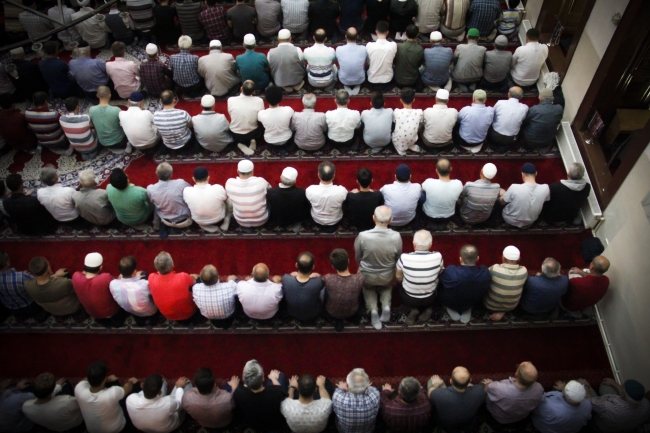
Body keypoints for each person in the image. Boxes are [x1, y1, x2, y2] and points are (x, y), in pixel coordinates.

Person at [355, 206, 402, 329]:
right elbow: (398, 257)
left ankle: (373, 310)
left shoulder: (363, 236)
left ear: (374, 218)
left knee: (368, 289)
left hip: (367, 275)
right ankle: (386, 306)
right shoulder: (396, 236)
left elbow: (358, 257)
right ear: (391, 220)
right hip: (387, 275)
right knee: (386, 287)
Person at [75, 361, 139, 433]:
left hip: (92, 431)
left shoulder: (78, 389)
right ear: (105, 378)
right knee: (131, 392)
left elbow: (85, 380)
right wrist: (130, 382)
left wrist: (106, 380)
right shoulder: (112, 393)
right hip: (117, 429)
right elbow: (128, 388)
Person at [396, 230, 442, 324]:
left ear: (414, 244)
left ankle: (413, 309)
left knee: (398, 285)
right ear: (431, 245)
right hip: (430, 297)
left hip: (409, 298)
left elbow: (398, 277)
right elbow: (440, 273)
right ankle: (428, 308)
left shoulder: (404, 258)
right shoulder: (438, 256)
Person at [438, 245, 491, 323]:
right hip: (471, 301)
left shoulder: (450, 272)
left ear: (460, 259)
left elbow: (440, 280)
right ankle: (466, 308)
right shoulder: (485, 273)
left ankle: (452, 308)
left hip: (450, 301)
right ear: (477, 258)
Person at [72, 252, 125, 327]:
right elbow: (117, 286)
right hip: (112, 313)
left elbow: (81, 273)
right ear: (100, 268)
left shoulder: (75, 277)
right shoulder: (104, 278)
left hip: (93, 314)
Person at [483, 362, 544, 427]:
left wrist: (488, 383)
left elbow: (487, 387)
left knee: (483, 385)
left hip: (499, 418)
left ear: (516, 374)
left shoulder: (500, 388)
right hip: (521, 417)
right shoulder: (539, 389)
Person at [233, 360, 289, 431]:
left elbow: (237, 395)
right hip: (274, 425)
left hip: (253, 425)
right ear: (263, 378)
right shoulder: (275, 392)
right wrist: (274, 379)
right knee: (281, 376)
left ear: (245, 382)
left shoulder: (238, 393)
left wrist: (234, 387)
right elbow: (282, 392)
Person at [127, 374, 191, 433]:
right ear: (160, 393)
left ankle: (163, 381)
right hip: (166, 429)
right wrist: (180, 387)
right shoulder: (168, 403)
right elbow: (180, 404)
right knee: (186, 382)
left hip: (142, 428)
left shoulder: (130, 399)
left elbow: (144, 392)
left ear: (142, 385)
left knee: (161, 381)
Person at [428, 367, 485, 431]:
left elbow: (430, 393)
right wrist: (469, 385)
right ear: (470, 380)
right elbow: (479, 387)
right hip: (468, 422)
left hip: (446, 424)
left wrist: (435, 384)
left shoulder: (439, 394)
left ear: (451, 381)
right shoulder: (479, 391)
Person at [148, 251, 198, 322]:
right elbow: (194, 281)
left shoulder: (151, 278)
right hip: (190, 312)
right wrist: (195, 276)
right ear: (172, 264)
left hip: (168, 316)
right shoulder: (183, 277)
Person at [147, 162, 193, 237]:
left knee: (156, 203)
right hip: (185, 221)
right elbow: (192, 193)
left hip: (165, 220)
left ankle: (157, 225)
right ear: (171, 174)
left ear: (156, 173)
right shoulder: (181, 184)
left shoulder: (151, 189)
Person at [323, 248, 365, 331]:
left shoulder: (327, 279)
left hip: (332, 312)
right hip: (352, 311)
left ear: (332, 266)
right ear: (348, 261)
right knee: (361, 291)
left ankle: (337, 319)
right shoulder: (359, 279)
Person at [109, 255, 158, 325]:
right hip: (151, 311)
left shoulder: (113, 284)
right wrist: (136, 278)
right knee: (143, 274)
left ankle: (140, 323)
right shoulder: (144, 284)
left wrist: (132, 277)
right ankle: (153, 321)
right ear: (135, 272)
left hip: (132, 311)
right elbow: (155, 292)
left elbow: (119, 280)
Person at [499, 162, 550, 228]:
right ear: (536, 173)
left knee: (499, 201)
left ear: (522, 174)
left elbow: (502, 202)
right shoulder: (545, 188)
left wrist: (504, 194)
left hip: (510, 220)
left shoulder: (514, 187)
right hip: (531, 221)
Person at [484, 246, 528, 321]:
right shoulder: (524, 271)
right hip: (511, 307)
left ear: (503, 258)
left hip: (489, 305)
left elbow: (484, 277)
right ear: (519, 259)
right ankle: (503, 311)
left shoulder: (494, 269)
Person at [225, 159, 270, 230]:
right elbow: (270, 190)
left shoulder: (229, 183)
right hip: (262, 219)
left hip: (240, 221)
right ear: (252, 172)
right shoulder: (261, 181)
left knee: (229, 200)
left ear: (237, 171)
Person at [332, 368, 380, 433]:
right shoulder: (375, 395)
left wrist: (344, 388)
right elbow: (370, 388)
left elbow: (339, 389)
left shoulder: (338, 397)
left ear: (347, 385)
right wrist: (365, 387)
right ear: (366, 386)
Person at [0, 252, 45, 320]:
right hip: (29, 305)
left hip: (10, 307)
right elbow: (39, 281)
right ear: (7, 262)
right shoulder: (22, 276)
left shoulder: (22, 276)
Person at [306, 161, 348, 232]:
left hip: (317, 219)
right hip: (335, 220)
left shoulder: (310, 190)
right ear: (334, 176)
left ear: (318, 175)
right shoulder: (341, 191)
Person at [422, 158, 463, 230]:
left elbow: (422, 189)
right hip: (448, 216)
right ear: (451, 169)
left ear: (436, 170)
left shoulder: (429, 182)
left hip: (429, 214)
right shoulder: (458, 184)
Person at [282, 252, 325, 322]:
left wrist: (295, 276)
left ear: (296, 265)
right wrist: (317, 276)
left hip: (292, 312)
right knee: (323, 290)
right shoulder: (318, 281)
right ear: (313, 267)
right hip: (313, 314)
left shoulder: (286, 279)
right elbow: (324, 282)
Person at [227, 80, 265, 156]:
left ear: (241, 88)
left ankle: (239, 143)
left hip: (236, 134)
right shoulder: (259, 101)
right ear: (253, 91)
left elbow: (230, 114)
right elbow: (261, 117)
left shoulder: (231, 100)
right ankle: (253, 140)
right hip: (253, 133)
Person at [266, 167, 310, 232]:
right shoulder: (301, 193)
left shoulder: (271, 193)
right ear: (294, 181)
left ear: (280, 178)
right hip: (296, 220)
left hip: (278, 220)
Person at [520, 88, 564, 154]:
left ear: (539, 98)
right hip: (547, 141)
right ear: (553, 99)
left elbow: (525, 121)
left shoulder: (534, 109)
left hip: (530, 139)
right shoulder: (559, 109)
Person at [89, 86, 130, 153]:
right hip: (120, 141)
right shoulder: (116, 110)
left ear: (97, 95)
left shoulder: (91, 110)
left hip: (103, 143)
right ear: (110, 95)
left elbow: (91, 125)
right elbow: (126, 124)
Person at [488, 86, 529, 152]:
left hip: (495, 136)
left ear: (508, 94)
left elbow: (491, 116)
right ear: (521, 97)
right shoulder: (525, 108)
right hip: (512, 139)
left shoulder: (500, 103)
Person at [258, 86, 295, 154]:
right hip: (287, 139)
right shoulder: (288, 110)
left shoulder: (261, 114)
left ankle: (277, 149)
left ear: (266, 99)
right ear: (281, 98)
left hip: (270, 142)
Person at [268, 29, 305, 93]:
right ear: (290, 39)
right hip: (297, 80)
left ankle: (284, 86)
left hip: (279, 81)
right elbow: (303, 65)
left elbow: (270, 67)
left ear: (278, 39)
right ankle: (296, 85)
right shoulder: (298, 50)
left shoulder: (271, 52)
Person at [169, 35, 204, 99]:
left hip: (179, 85)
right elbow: (199, 71)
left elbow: (171, 70)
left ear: (178, 46)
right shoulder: (195, 58)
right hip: (195, 85)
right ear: (191, 46)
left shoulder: (172, 58)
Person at [366, 21, 397, 90]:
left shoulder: (369, 45)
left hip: (372, 80)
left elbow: (368, 62)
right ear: (387, 32)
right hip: (387, 81)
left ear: (376, 32)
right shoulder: (393, 45)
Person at [392, 87, 423, 155]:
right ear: (414, 100)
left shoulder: (396, 112)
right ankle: (409, 145)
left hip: (398, 141)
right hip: (412, 140)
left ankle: (401, 148)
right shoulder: (419, 112)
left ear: (401, 100)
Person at [336, 28, 367, 96]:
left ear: (345, 36)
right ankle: (357, 83)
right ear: (357, 37)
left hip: (344, 79)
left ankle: (347, 84)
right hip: (360, 79)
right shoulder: (363, 49)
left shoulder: (339, 49)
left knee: (337, 67)